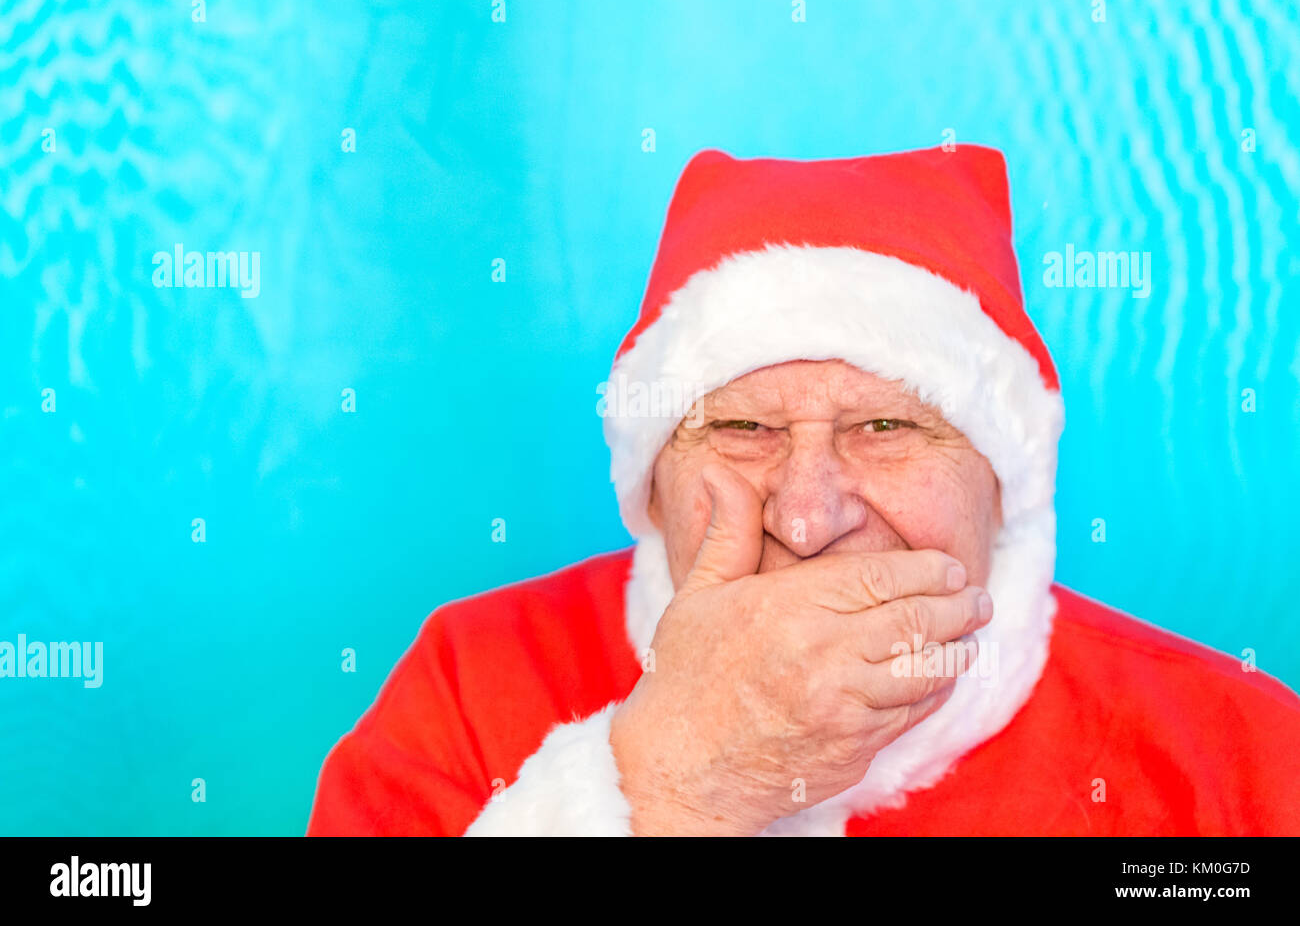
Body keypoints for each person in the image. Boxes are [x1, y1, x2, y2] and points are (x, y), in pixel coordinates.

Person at [307, 145, 1300, 836]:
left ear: (1006, 485)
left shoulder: (1240, 747)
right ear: (652, 480)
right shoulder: (468, 683)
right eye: (742, 429)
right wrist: (678, 780)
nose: (807, 515)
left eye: (885, 426)